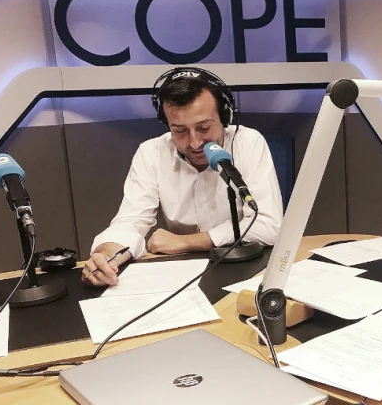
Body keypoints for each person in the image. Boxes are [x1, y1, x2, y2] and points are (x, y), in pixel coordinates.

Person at [82, 67, 283, 286]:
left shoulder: (247, 143)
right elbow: (131, 221)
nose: (195, 143)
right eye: (180, 130)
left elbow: (268, 226)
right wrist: (106, 256)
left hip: (247, 268)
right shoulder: (151, 153)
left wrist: (187, 242)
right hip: (184, 277)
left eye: (204, 127)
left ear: (225, 117)